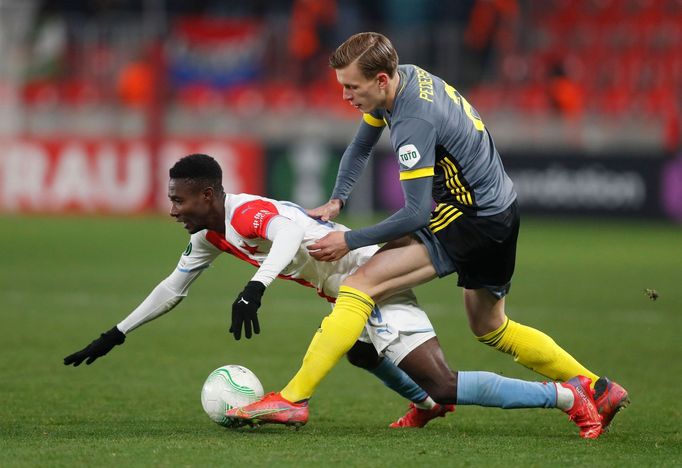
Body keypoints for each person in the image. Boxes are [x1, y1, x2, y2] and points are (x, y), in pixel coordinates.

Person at [226, 32, 629, 435]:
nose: (345, 95)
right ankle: (598, 388)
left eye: (352, 86)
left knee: (359, 285)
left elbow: (416, 213)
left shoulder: (413, 119)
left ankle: (293, 398)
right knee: (491, 326)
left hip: (470, 219)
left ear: (381, 80)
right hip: (500, 209)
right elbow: (361, 145)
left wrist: (348, 239)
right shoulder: (407, 77)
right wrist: (337, 200)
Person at [65, 154, 601, 438]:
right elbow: (172, 288)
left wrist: (256, 286)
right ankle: (423, 408)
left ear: (207, 194)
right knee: (360, 350)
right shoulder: (210, 234)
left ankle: (568, 397)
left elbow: (291, 235)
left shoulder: (243, 212)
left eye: (179, 200)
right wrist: (117, 333)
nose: (174, 209)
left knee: (444, 382)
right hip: (350, 287)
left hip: (372, 275)